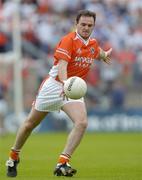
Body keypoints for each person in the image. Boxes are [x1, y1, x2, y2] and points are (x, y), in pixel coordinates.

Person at [6, 10, 112, 177]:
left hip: (72, 89)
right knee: (29, 125)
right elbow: (62, 65)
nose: (85, 28)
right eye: (83, 24)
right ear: (76, 24)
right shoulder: (68, 40)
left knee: (82, 122)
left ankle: (62, 163)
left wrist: (104, 55)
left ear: (93, 26)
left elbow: (95, 51)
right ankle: (13, 156)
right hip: (55, 86)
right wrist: (65, 84)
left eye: (89, 25)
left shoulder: (92, 43)